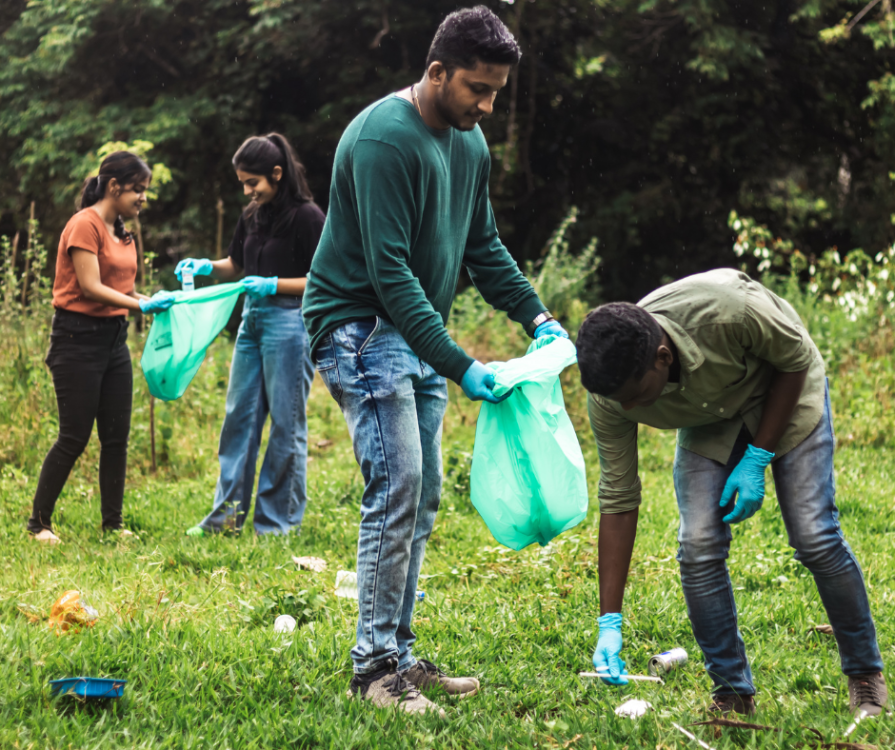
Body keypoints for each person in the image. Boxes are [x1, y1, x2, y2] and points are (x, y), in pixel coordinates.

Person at [302, 5, 567, 718]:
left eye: (495, 94)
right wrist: (461, 363)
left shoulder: (467, 144)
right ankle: (371, 670)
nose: (485, 105)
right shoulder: (384, 140)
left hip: (410, 333)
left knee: (420, 499)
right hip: (359, 326)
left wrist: (536, 315)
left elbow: (482, 248)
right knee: (397, 489)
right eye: (475, 90)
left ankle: (399, 653)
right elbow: (390, 275)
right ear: (435, 71)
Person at [577, 268, 886, 717]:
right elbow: (619, 497)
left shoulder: (729, 310)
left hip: (786, 391)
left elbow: (795, 360)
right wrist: (609, 619)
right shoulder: (611, 391)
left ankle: (865, 674)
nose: (628, 410)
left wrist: (758, 456)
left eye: (637, 396)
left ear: (663, 357)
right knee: (698, 543)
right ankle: (732, 692)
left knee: (813, 534)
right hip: (710, 422)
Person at [176, 133, 324, 536]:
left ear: (277, 174)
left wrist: (274, 284)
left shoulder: (308, 216)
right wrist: (205, 265)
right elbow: (235, 264)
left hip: (291, 324)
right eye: (243, 182)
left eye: (252, 182)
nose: (247, 190)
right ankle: (225, 519)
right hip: (251, 322)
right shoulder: (251, 214)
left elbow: (322, 282)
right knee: (238, 420)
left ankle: (276, 522)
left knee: (285, 423)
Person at [27, 151, 175, 544]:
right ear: (114, 186)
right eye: (138, 190)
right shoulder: (84, 225)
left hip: (114, 341)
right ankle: (38, 524)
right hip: (76, 340)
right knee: (74, 436)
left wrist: (149, 299)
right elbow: (91, 287)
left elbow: (120, 291)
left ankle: (113, 524)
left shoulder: (122, 231)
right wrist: (140, 305)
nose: (143, 198)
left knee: (116, 437)